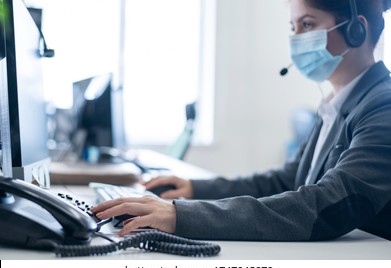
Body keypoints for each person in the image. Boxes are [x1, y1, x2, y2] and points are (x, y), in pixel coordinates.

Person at [92, 0, 391, 241]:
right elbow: (286, 181)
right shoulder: (335, 104)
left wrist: (182, 215)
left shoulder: (383, 105)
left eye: (308, 24)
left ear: (356, 29)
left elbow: (329, 205)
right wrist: (195, 190)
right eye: (293, 26)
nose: (296, 38)